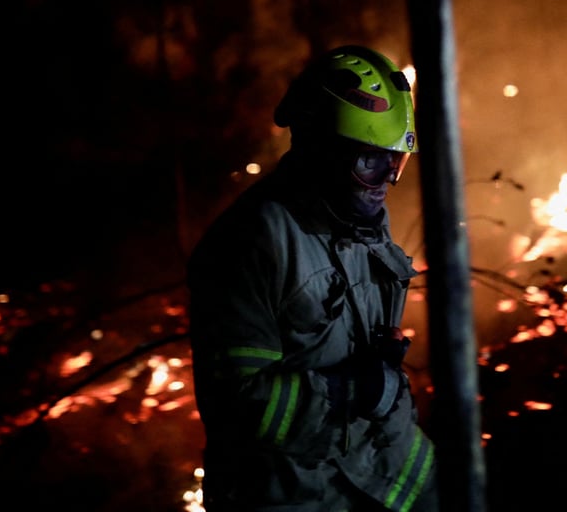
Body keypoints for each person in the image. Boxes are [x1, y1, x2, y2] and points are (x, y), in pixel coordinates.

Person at [188, 44, 438, 511]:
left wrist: (376, 362)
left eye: (395, 163)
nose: (386, 181)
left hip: (389, 471)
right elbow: (238, 400)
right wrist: (354, 392)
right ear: (320, 150)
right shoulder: (250, 243)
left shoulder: (355, 216)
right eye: (369, 161)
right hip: (299, 494)